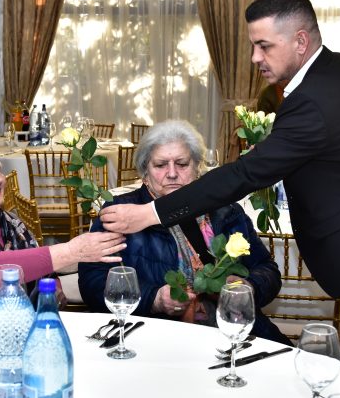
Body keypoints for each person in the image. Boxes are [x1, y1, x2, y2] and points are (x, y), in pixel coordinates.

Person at [99, 0, 340, 390]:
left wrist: (150, 213)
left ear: (300, 41)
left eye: (264, 46)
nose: (255, 58)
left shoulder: (314, 100)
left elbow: (245, 175)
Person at [79, 120, 291, 345]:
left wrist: (249, 287)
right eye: (160, 165)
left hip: (233, 331)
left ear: (197, 167)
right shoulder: (122, 212)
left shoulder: (226, 210)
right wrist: (154, 299)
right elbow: (93, 282)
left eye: (182, 164)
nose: (172, 173)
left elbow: (267, 269)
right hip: (154, 338)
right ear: (144, 173)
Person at [0, 141, 125, 316]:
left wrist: (54, 289)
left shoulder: (10, 223)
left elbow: (41, 268)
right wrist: (71, 251)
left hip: (15, 329)